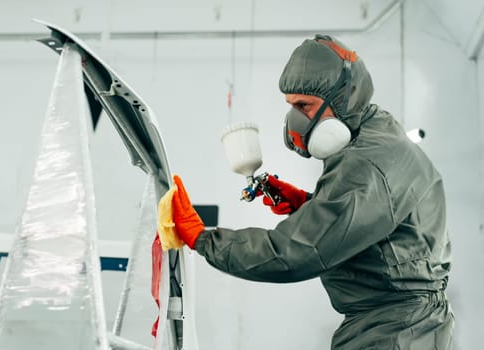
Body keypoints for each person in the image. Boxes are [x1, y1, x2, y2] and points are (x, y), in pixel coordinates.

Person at [168, 34, 454, 349]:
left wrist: (203, 238)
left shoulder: (369, 161)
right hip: (396, 323)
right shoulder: (374, 131)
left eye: (305, 105)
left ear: (344, 99)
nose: (296, 120)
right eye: (291, 106)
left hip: (398, 329)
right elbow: (370, 223)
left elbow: (296, 252)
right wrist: (308, 204)